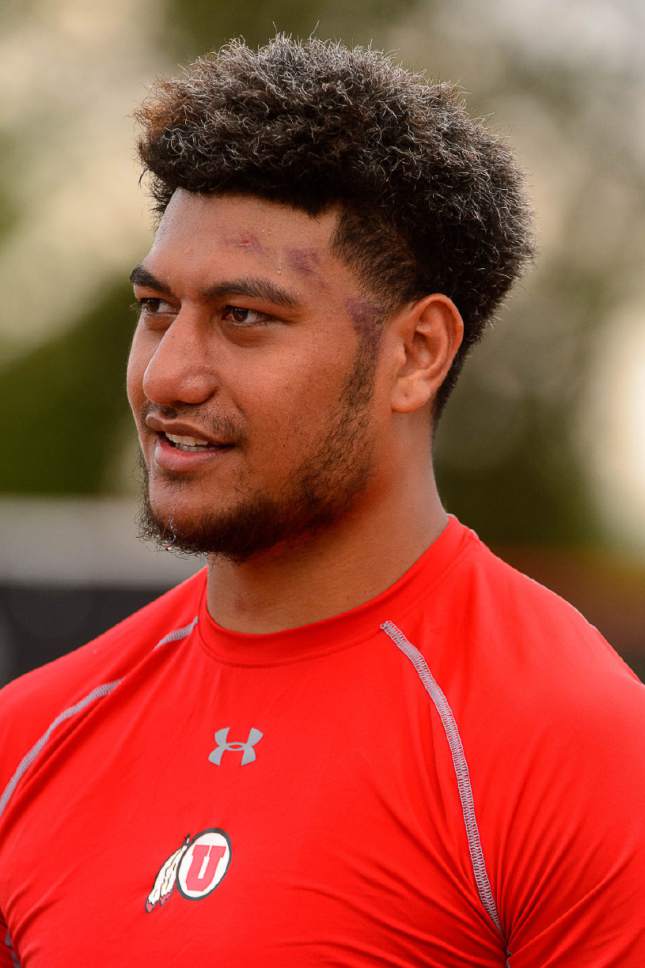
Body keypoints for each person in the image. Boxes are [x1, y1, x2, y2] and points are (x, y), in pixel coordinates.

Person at [0, 35, 643, 967]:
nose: (169, 374)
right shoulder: (32, 739)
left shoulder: (572, 747)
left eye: (244, 317)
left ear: (417, 353)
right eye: (155, 310)